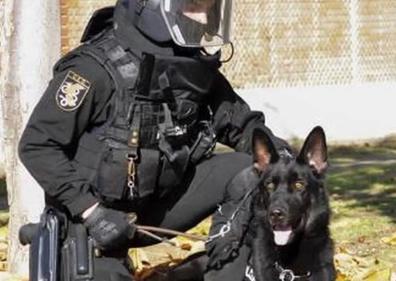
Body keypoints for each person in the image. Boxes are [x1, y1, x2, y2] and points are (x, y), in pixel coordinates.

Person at [18, 0, 290, 280]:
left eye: (210, 8)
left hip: (156, 210)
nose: (204, 16)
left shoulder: (195, 66)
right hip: (93, 227)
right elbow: (37, 145)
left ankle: (220, 267)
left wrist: (288, 162)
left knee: (255, 171)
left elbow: (242, 125)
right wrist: (91, 212)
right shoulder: (92, 68)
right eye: (194, 5)